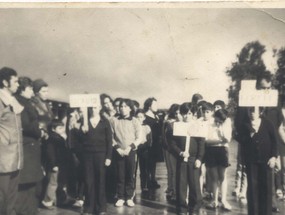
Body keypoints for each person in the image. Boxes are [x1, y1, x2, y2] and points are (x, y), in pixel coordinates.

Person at [15, 77, 46, 215]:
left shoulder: (23, 101)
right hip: (28, 147)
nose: (32, 92)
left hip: (29, 147)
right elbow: (27, 125)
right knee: (27, 184)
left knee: (29, 184)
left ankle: (29, 210)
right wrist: (40, 131)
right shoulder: (21, 103)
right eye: (29, 89)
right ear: (22, 89)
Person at [169, 102, 205, 215]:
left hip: (193, 159)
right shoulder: (177, 126)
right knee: (181, 184)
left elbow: (201, 144)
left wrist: (199, 159)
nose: (186, 116)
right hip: (181, 159)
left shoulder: (198, 126)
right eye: (184, 113)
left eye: (189, 113)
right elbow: (172, 143)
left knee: (194, 184)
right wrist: (180, 152)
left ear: (193, 114)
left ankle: (194, 208)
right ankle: (182, 209)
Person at [242, 107, 278, 215]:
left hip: (266, 161)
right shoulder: (245, 124)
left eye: (254, 111)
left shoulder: (268, 123)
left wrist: (273, 157)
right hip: (251, 160)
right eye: (250, 111)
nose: (252, 113)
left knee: (266, 188)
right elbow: (240, 140)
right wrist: (249, 136)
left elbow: (274, 142)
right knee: (252, 188)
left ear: (260, 112)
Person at [80, 102, 113, 215]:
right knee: (89, 181)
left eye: (96, 107)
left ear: (99, 108)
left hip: (101, 155)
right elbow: (79, 139)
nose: (94, 110)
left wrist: (108, 156)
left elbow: (109, 140)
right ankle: (89, 207)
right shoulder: (84, 122)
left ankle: (101, 207)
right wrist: (81, 129)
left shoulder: (105, 122)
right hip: (87, 155)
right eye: (92, 107)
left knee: (100, 181)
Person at [0, 67, 24, 215]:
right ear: (5, 82)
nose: (17, 84)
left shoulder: (13, 100)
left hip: (15, 157)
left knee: (11, 197)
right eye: (15, 81)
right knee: (2, 197)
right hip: (3, 158)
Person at [110, 99, 142, 207]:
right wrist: (117, 148)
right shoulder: (114, 120)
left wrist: (130, 147)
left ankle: (129, 197)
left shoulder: (135, 121)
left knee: (130, 174)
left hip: (131, 152)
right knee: (120, 174)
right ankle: (120, 197)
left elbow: (139, 137)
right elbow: (110, 137)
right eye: (121, 106)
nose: (122, 108)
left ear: (130, 108)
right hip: (118, 152)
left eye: (125, 106)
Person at [204, 108, 232, 211]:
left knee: (223, 176)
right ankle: (214, 201)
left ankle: (223, 200)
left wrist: (221, 131)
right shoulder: (209, 122)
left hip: (223, 150)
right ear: (215, 116)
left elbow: (228, 138)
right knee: (214, 177)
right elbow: (206, 141)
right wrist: (220, 141)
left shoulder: (227, 122)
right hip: (211, 151)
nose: (218, 122)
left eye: (221, 121)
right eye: (217, 120)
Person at [41, 119, 69, 209]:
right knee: (53, 183)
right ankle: (47, 200)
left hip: (59, 164)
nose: (62, 130)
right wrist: (54, 164)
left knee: (57, 182)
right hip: (56, 164)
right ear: (54, 129)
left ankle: (56, 200)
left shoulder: (56, 138)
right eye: (60, 128)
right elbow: (51, 153)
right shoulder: (53, 139)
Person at [162, 104, 182, 201]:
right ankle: (172, 190)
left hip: (179, 151)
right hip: (170, 150)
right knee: (172, 171)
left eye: (180, 113)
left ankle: (176, 190)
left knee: (177, 172)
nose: (178, 115)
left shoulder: (185, 123)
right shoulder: (170, 123)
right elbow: (165, 137)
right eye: (176, 113)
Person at [143, 97, 162, 189]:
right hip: (148, 143)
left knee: (153, 162)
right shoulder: (145, 117)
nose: (156, 106)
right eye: (155, 104)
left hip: (155, 143)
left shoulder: (156, 116)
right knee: (147, 163)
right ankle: (147, 181)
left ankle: (153, 179)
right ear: (149, 106)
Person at [135, 109, 152, 192]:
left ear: (144, 118)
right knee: (133, 169)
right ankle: (132, 186)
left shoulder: (146, 127)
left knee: (144, 168)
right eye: (137, 117)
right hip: (134, 148)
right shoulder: (133, 125)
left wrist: (146, 146)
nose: (139, 118)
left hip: (144, 148)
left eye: (141, 117)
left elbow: (149, 140)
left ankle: (144, 185)